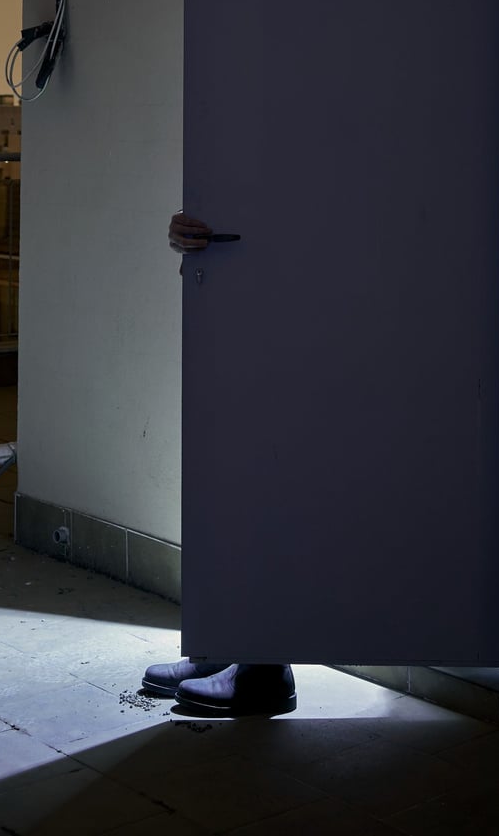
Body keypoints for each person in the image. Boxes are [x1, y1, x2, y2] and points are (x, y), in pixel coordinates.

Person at [141, 212, 297, 717]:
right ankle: (227, 648)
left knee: (270, 485)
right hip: (247, 322)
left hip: (304, 324)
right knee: (229, 484)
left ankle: (264, 664)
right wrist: (192, 241)